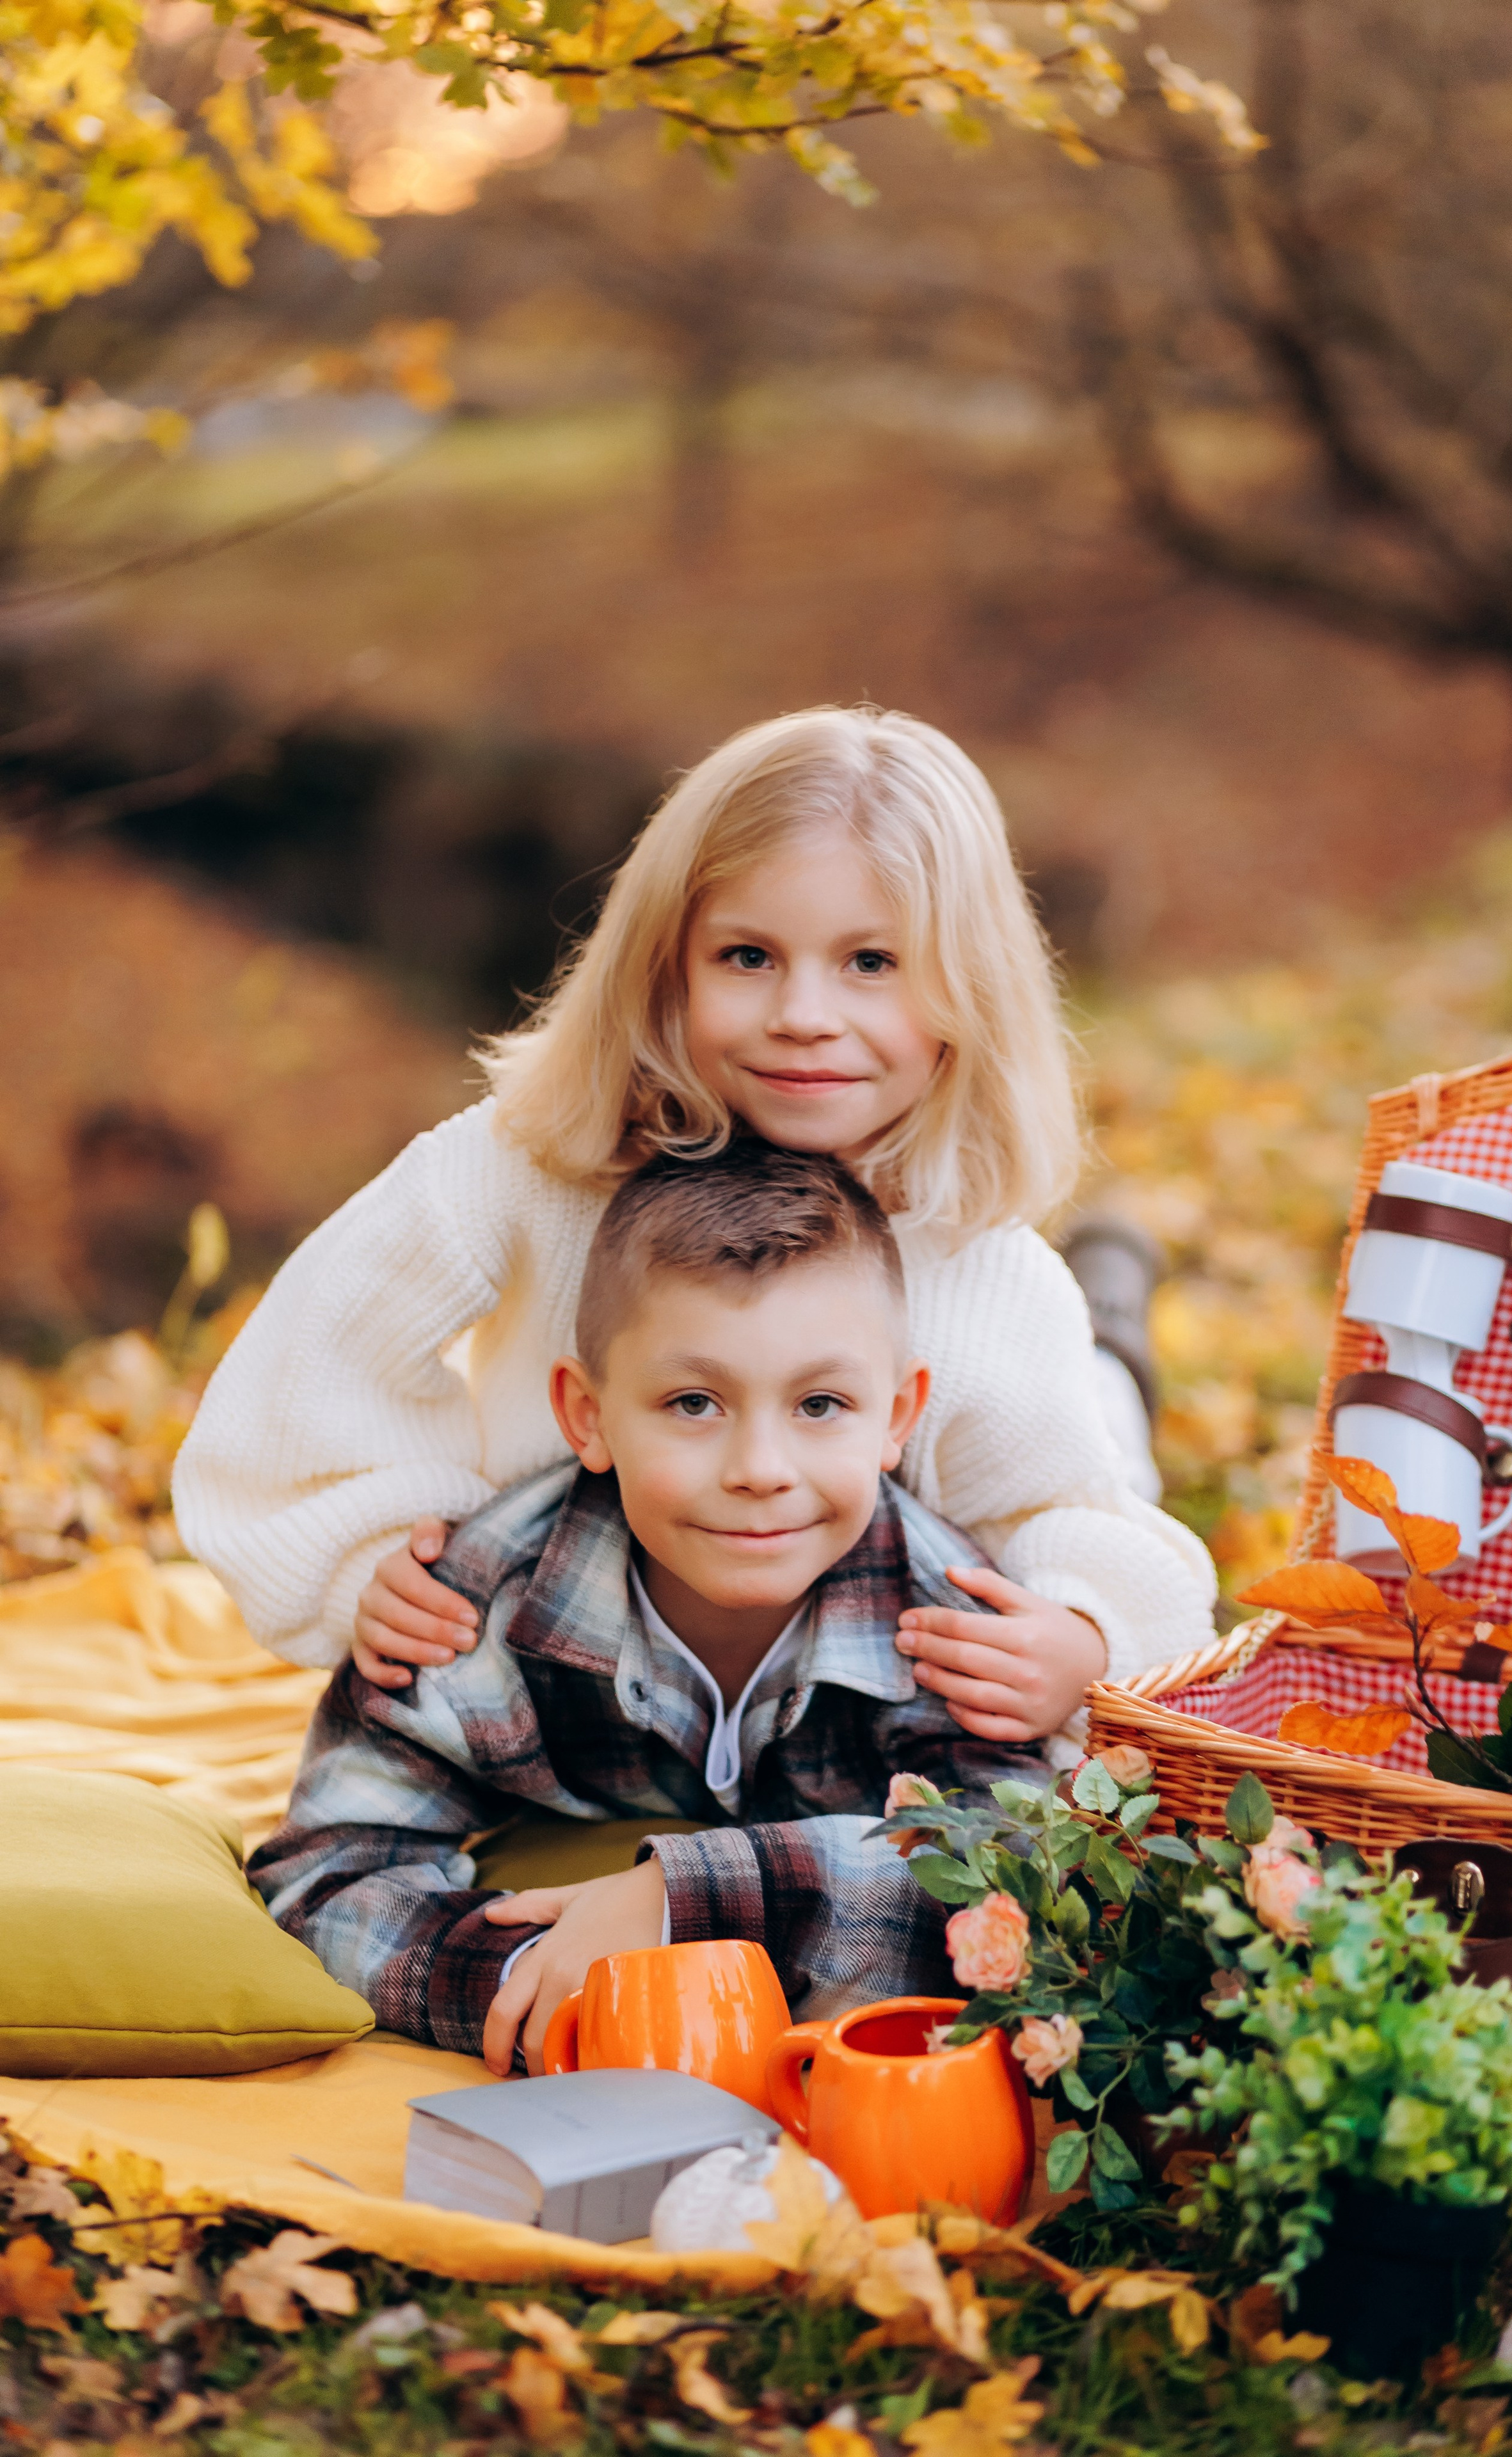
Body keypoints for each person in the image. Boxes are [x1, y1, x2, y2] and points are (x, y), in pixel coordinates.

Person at [175, 706, 1216, 1753]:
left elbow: (1062, 1506)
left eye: (872, 963)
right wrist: (376, 1552)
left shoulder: (990, 1273)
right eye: (749, 956)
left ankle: (1114, 1304)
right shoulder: (518, 1167)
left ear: (968, 991)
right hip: (583, 1676)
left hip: (843, 1696)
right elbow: (307, 1366)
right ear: (665, 965)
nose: (804, 1014)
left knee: (1106, 1406)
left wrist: (1084, 1638)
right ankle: (1115, 1289)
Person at [250, 1143, 1053, 2072]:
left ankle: (1116, 1316)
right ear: (587, 1416)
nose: (760, 1470)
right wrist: (541, 1983)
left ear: (898, 1417)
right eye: (695, 1402)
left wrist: (686, 1901)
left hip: (1063, 1447)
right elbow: (326, 1871)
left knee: (1111, 1397)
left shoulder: (944, 1623)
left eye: (822, 1403)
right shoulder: (476, 1601)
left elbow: (1013, 1878)